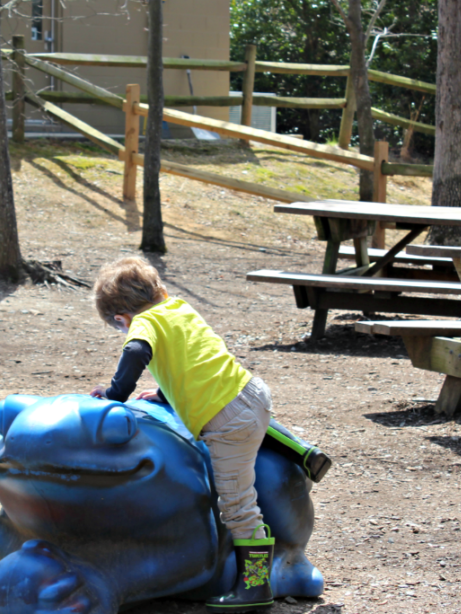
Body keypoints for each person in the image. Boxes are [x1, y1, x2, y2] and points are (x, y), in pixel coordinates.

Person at [89, 257, 330, 613]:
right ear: (161, 291)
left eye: (120, 328)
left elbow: (137, 350)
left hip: (227, 420)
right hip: (251, 392)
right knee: (251, 424)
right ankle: (303, 452)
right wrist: (164, 393)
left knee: (237, 504)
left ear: (121, 319)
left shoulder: (143, 324)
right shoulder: (178, 308)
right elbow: (194, 358)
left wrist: (113, 395)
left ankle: (255, 585)